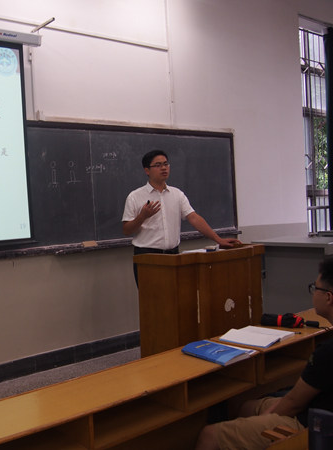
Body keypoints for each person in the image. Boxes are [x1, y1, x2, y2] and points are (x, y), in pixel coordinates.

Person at [195, 257, 333, 450]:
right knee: (245, 406)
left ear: (328, 297)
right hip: (317, 407)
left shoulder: (326, 353)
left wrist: (266, 418)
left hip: (313, 426)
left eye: (314, 288)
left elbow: (293, 403)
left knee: (208, 435)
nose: (313, 293)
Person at [122, 149, 241, 283]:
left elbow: (194, 218)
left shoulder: (177, 194)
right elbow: (126, 230)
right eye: (158, 165)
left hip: (173, 256)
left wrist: (218, 239)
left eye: (166, 164)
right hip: (147, 257)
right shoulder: (135, 197)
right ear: (147, 170)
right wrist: (142, 216)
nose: (163, 168)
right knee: (152, 296)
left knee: (176, 295)